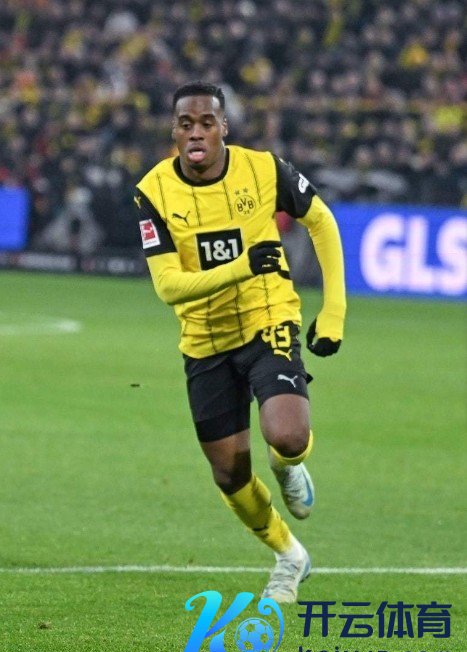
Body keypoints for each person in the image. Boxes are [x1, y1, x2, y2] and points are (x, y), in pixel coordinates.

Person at [134, 81, 346, 603]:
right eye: (186, 124)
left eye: (206, 123)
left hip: (267, 319)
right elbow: (168, 286)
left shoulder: (264, 169)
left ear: (223, 127)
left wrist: (334, 312)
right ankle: (289, 555)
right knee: (229, 472)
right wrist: (241, 266)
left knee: (287, 436)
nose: (196, 133)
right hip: (204, 340)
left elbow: (320, 220)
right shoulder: (152, 191)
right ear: (174, 132)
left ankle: (288, 466)